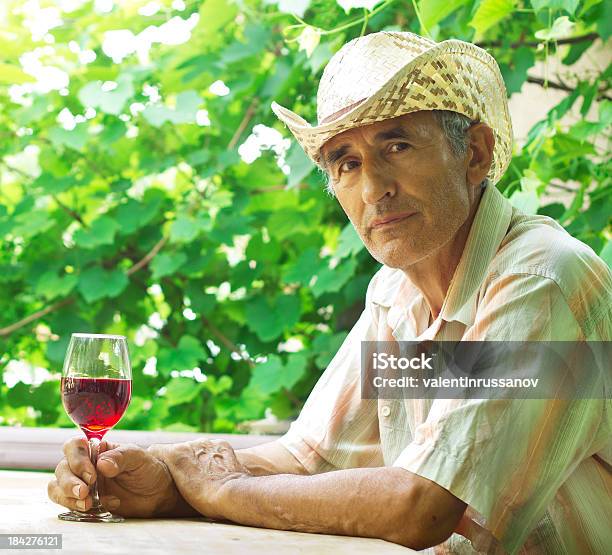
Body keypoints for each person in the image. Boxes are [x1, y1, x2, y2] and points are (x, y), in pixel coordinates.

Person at [48, 31, 611, 553]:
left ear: (476, 154)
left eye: (398, 147)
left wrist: (221, 492)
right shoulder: (396, 294)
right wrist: (160, 477)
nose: (375, 189)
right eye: (347, 162)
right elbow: (308, 458)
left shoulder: (542, 279)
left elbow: (425, 505)